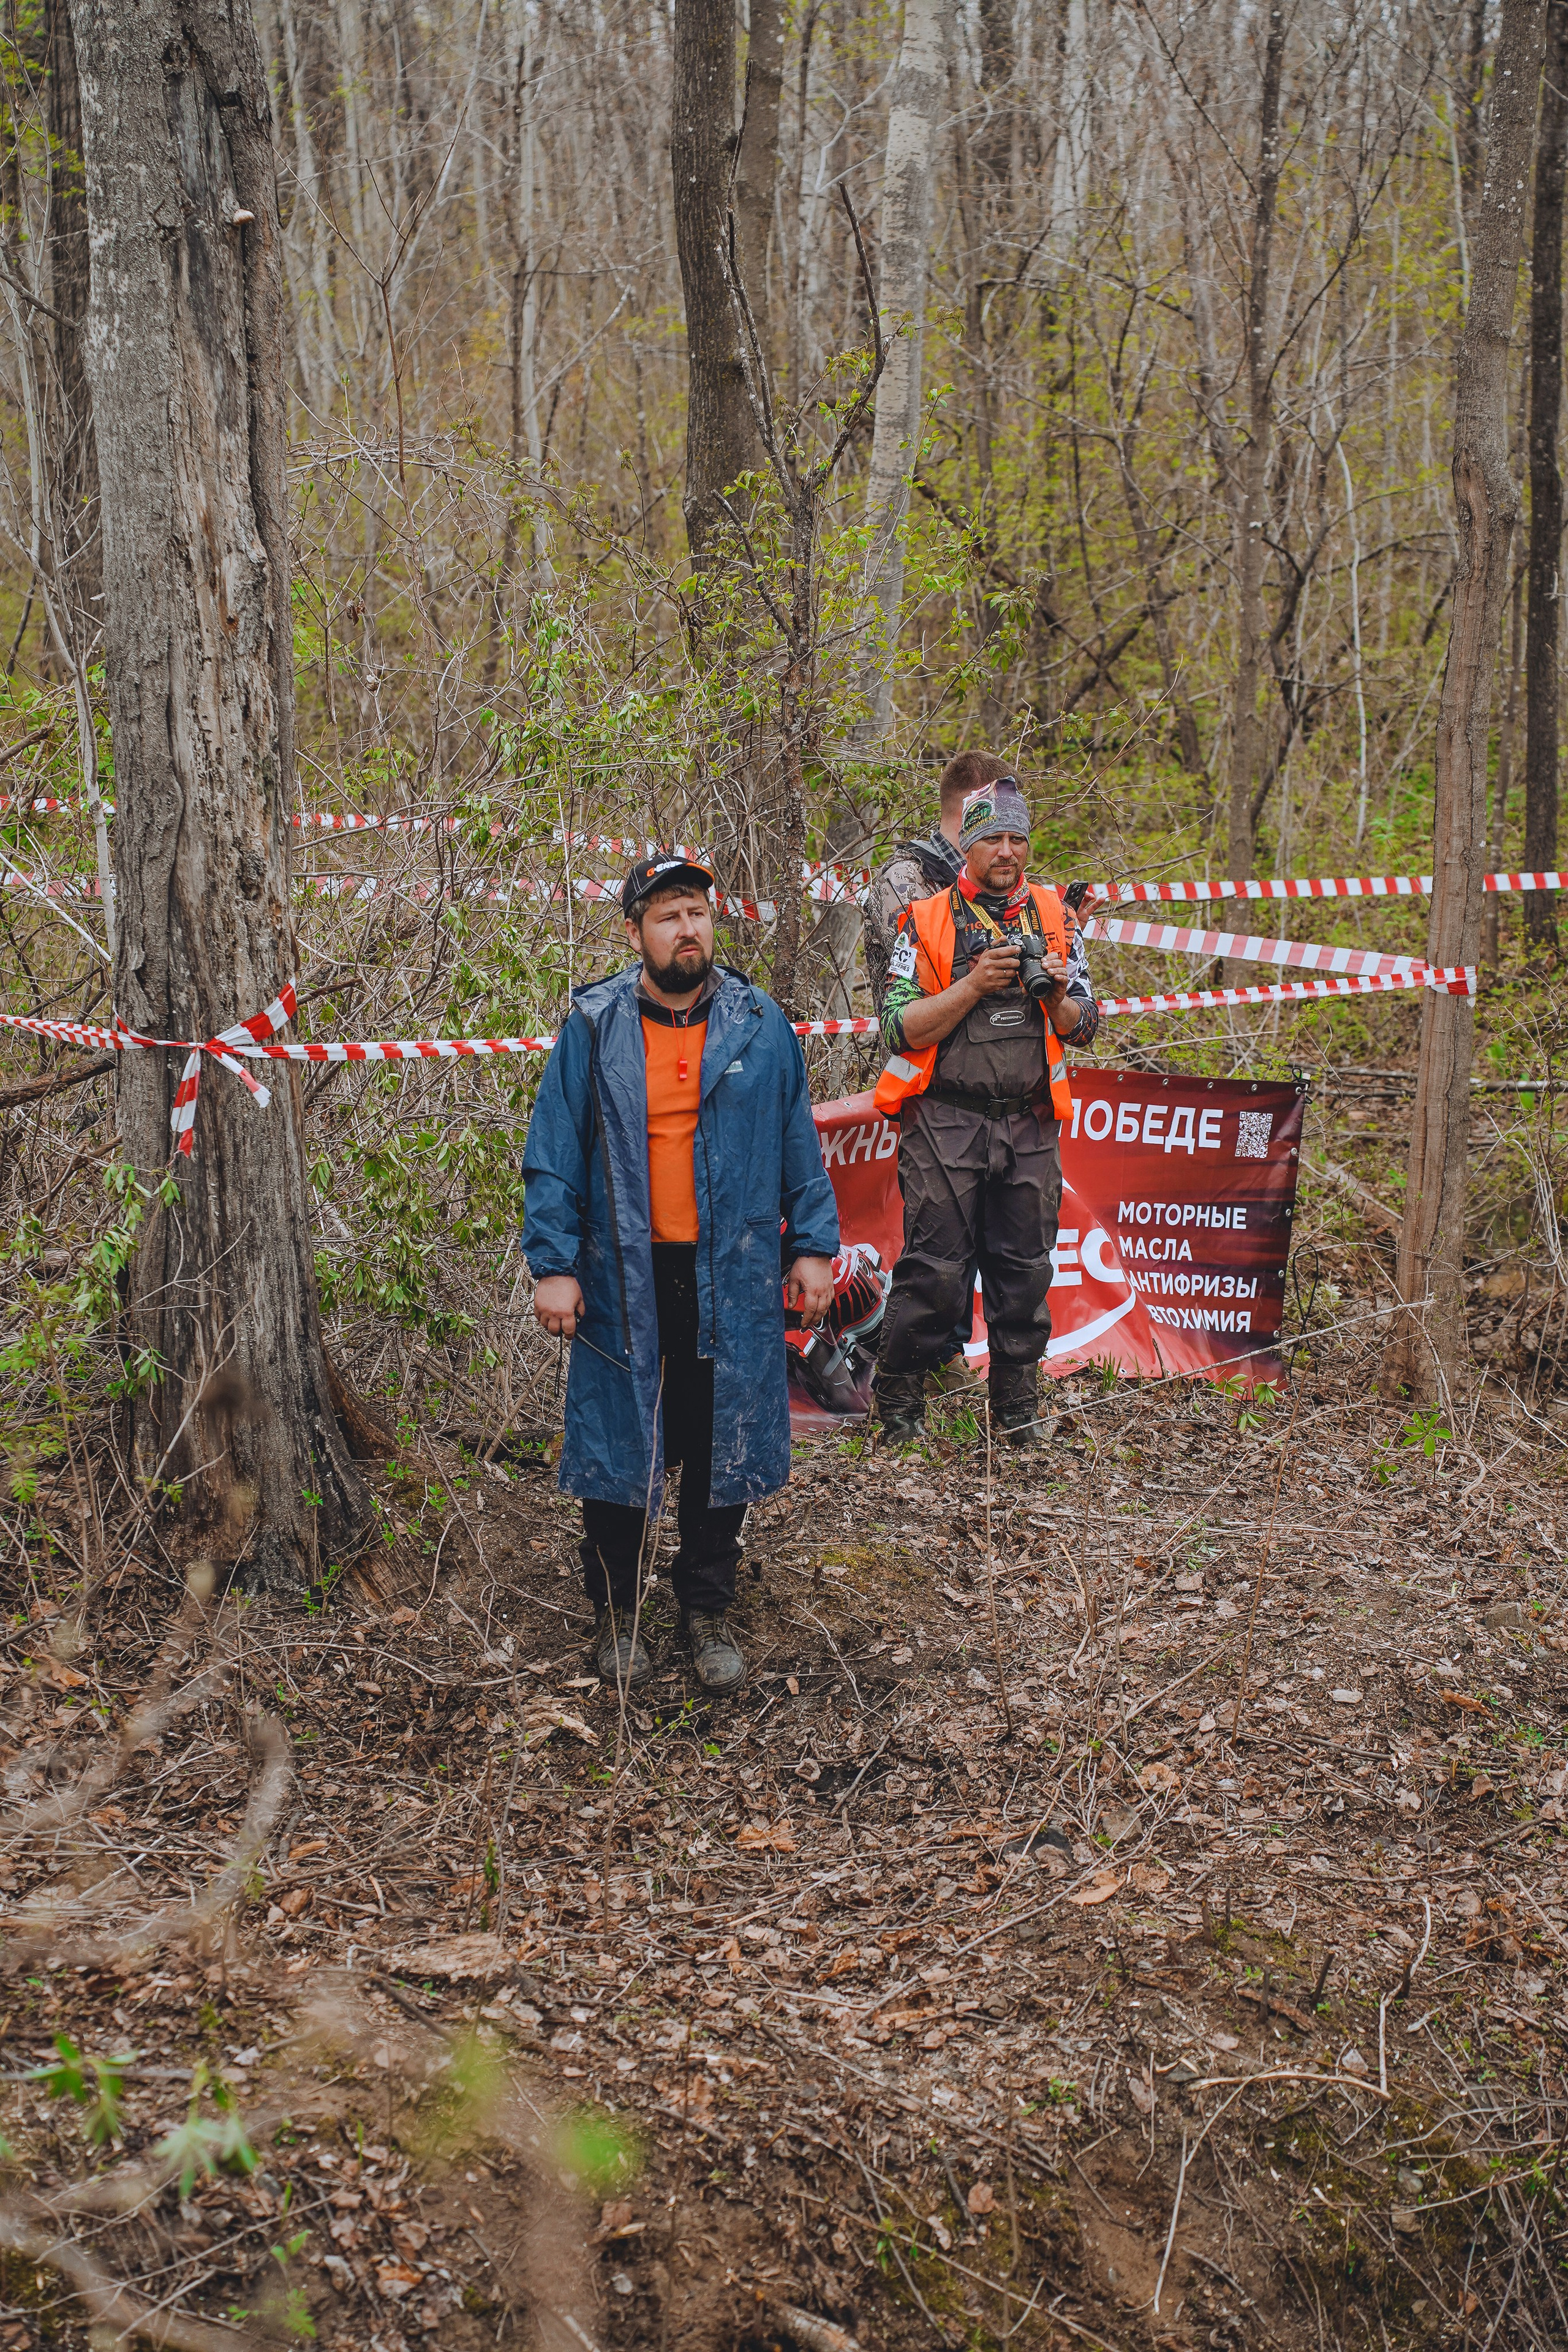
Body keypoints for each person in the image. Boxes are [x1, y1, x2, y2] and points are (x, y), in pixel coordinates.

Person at [521, 853, 839, 1695]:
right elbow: (552, 1156)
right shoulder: (593, 1025)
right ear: (635, 933)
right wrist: (551, 1265)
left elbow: (797, 1140)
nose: (687, 928)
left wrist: (812, 1244)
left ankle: (705, 1606)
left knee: (719, 1437)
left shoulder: (758, 1022)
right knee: (620, 1434)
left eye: (697, 911)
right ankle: (616, 1609)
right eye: (666, 915)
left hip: (730, 1268)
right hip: (624, 1269)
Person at [871, 777, 1099, 1447]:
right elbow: (895, 1028)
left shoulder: (1057, 916)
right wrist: (973, 984)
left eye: (1016, 838)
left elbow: (1083, 1023)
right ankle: (899, 1405)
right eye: (991, 838)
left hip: (1029, 1118)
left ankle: (1017, 1409)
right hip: (945, 1116)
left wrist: (1054, 997)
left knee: (1025, 1268)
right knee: (934, 1268)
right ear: (965, 845)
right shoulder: (926, 920)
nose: (1006, 851)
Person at [862, 749, 1013, 1389]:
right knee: (936, 1247)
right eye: (996, 814)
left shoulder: (999, 889)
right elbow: (927, 980)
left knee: (987, 1242)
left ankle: (946, 1359)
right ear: (971, 801)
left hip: (995, 1080)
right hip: (929, 1076)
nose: (1007, 837)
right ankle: (899, 1380)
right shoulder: (907, 878)